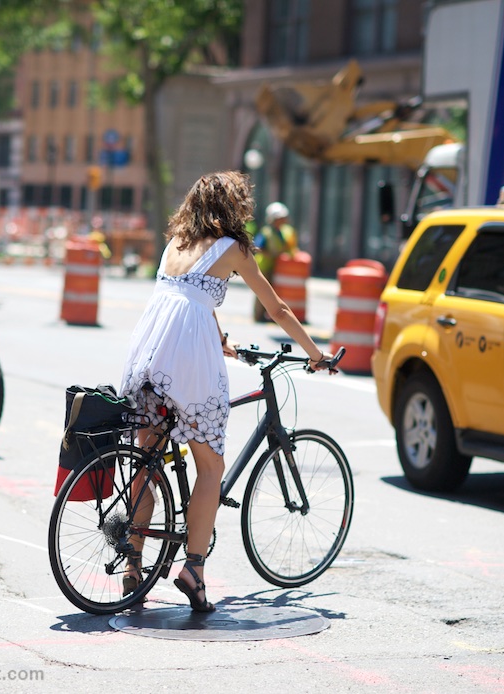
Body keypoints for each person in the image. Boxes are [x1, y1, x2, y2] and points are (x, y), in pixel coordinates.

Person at [119, 172, 332, 612]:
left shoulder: (174, 243)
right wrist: (315, 353)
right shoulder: (232, 248)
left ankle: (133, 567)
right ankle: (193, 571)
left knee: (148, 456)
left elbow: (190, 299)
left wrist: (220, 341)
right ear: (234, 207)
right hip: (189, 364)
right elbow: (278, 308)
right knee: (210, 466)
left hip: (147, 356)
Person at [253, 201, 298, 322]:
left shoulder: (281, 232)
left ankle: (267, 314)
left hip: (274, 266)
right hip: (264, 266)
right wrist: (269, 254)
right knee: (262, 292)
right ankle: (258, 315)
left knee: (271, 293)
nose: (283, 221)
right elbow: (257, 247)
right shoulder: (266, 232)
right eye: (280, 218)